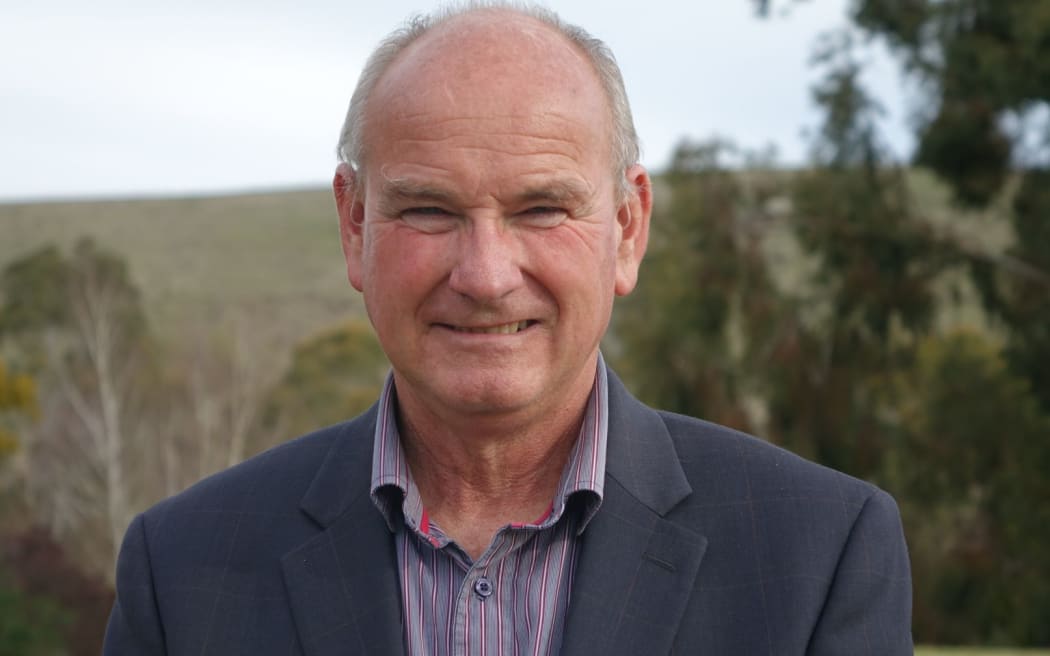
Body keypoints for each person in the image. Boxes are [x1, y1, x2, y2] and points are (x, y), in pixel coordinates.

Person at [103, 3, 913, 654]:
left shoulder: (821, 555)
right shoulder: (180, 571)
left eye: (541, 209)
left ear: (628, 229)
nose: (486, 275)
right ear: (355, 228)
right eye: (429, 209)